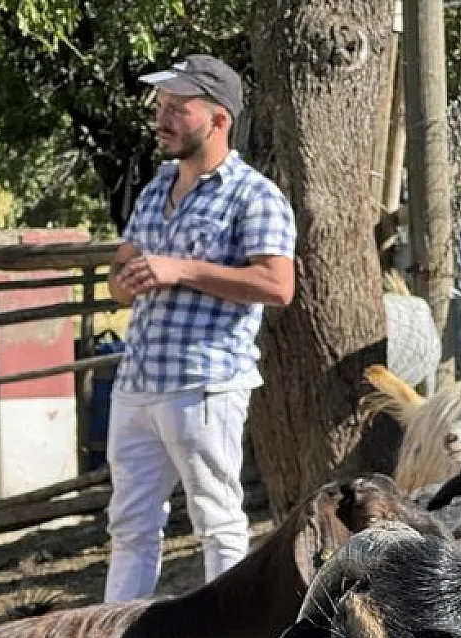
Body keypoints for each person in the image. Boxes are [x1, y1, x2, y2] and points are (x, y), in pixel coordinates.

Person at [103, 54, 297, 603]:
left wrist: (180, 269)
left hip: (204, 382)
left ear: (218, 120)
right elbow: (122, 272)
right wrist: (131, 280)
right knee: (130, 525)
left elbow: (278, 286)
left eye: (178, 110)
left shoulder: (254, 195)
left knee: (217, 520)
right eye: (161, 107)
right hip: (139, 378)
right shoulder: (157, 185)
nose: (162, 120)